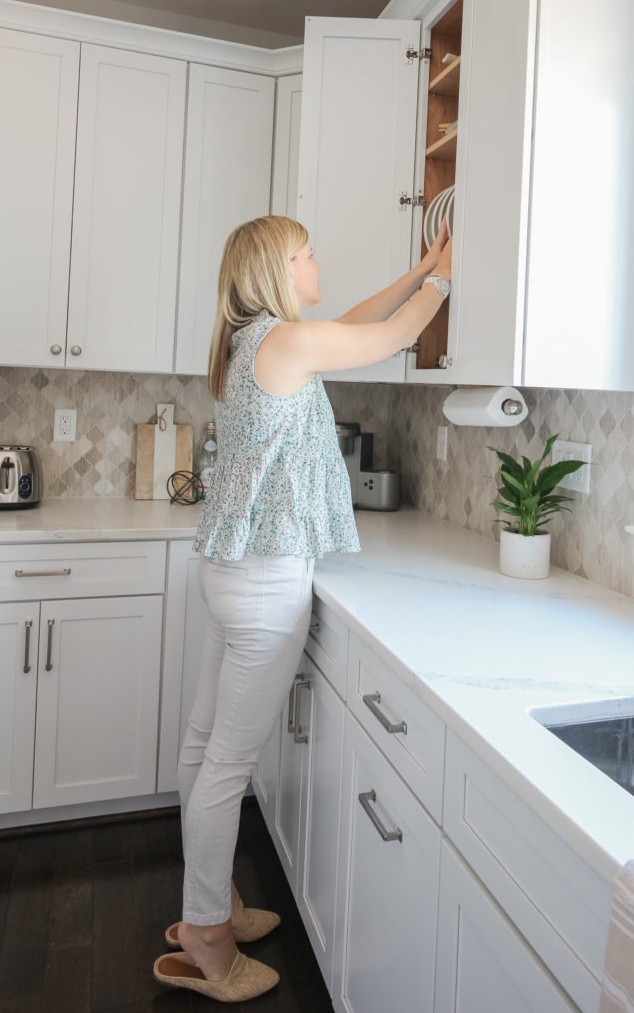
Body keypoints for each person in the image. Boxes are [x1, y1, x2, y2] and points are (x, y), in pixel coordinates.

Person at [153, 215, 452, 1002]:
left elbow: (354, 324)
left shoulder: (258, 340)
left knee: (202, 746)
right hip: (262, 586)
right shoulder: (284, 345)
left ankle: (207, 904)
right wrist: (448, 278)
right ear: (278, 271)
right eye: (307, 253)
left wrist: (421, 266)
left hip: (229, 573)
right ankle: (206, 938)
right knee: (225, 766)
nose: (318, 263)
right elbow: (390, 336)